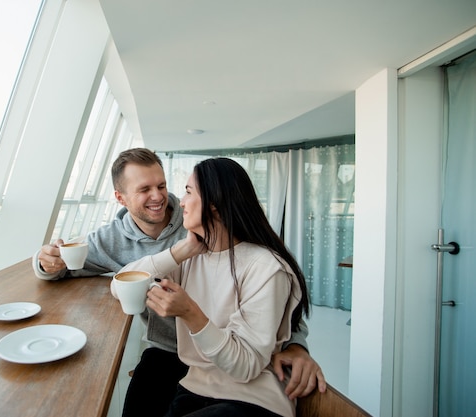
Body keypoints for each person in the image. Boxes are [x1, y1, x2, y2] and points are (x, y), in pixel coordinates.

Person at [32, 148, 325, 416]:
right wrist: (180, 251)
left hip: (238, 376)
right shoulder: (176, 248)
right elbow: (87, 271)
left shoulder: (260, 263)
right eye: (144, 189)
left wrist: (296, 346)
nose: (162, 197)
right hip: (183, 363)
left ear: (214, 204)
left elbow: (278, 316)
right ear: (120, 198)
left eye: (163, 186)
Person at [115, 157, 311, 417]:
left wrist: (190, 313)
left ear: (215, 204)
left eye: (188, 192)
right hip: (194, 388)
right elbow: (120, 286)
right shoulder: (190, 257)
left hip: (252, 399)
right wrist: (181, 250)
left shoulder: (266, 267)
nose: (180, 201)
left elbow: (246, 367)